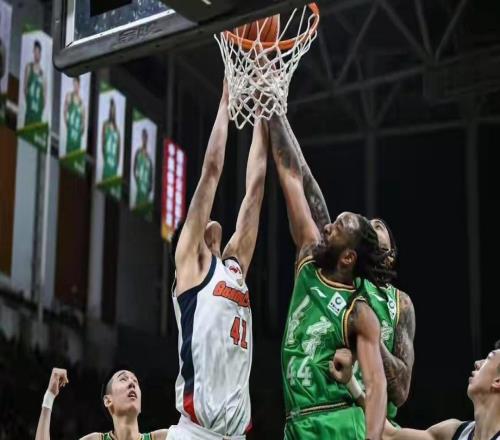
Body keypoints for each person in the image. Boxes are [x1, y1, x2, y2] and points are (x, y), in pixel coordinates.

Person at [275, 115, 416, 425]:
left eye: (378, 226)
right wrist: (277, 111)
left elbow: (399, 391)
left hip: (370, 422)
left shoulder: (397, 304)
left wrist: (368, 342)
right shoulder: (336, 273)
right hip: (318, 413)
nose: (370, 223)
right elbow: (304, 180)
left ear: (388, 257)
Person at [169, 81, 269, 439]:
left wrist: (264, 113)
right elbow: (211, 171)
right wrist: (226, 102)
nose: (210, 219)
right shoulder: (191, 268)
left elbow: (255, 189)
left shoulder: (234, 267)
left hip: (236, 434)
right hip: (195, 432)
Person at [333, 344, 500, 440]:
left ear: (498, 381)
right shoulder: (454, 432)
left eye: (489, 357)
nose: (478, 362)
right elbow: (390, 434)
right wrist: (350, 381)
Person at [34, 367, 169, 440]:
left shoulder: (163, 438)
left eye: (135, 381)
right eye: (123, 379)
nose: (132, 383)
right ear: (108, 400)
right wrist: (49, 396)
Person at [24, 40, 46, 126]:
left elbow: (44, 97)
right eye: (35, 52)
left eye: (38, 52)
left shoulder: (43, 74)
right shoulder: (29, 67)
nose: (36, 54)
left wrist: (39, 109)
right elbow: (25, 88)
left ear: (40, 54)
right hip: (29, 112)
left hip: (38, 115)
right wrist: (29, 102)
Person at [64, 76, 86, 154]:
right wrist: (67, 124)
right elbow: (65, 111)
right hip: (71, 133)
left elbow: (83, 120)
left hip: (77, 136)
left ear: (79, 85)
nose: (75, 87)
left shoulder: (82, 103)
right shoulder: (69, 96)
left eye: (76, 85)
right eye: (74, 84)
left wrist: (82, 128)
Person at [133, 128, 154, 207]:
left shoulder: (149, 158)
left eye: (146, 137)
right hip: (140, 189)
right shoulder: (138, 152)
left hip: (146, 192)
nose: (144, 138)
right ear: (142, 137)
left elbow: (151, 177)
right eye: (143, 136)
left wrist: (149, 188)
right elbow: (134, 168)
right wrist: (138, 181)